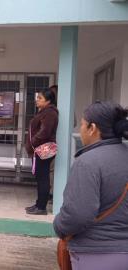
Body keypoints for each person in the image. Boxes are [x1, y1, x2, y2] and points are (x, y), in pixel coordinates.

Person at [54, 101, 128, 270]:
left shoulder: (88, 162)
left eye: (81, 124)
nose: (80, 130)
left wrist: (58, 225)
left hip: (96, 253)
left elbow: (78, 214)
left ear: (92, 128)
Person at [25, 88, 58, 215]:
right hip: (40, 148)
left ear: (48, 101)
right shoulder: (44, 112)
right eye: (37, 97)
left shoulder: (50, 113)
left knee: (43, 178)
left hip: (44, 148)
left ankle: (42, 207)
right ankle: (39, 204)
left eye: (40, 98)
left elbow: (45, 132)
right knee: (40, 177)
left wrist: (32, 142)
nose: (37, 100)